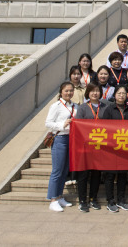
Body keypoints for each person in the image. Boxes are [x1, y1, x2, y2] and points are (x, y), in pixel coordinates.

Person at [74, 83, 110, 212]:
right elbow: (78, 125)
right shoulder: (83, 108)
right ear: (88, 93)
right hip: (86, 146)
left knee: (96, 174)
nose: (95, 93)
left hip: (100, 146)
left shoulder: (106, 107)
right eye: (92, 91)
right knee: (83, 174)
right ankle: (82, 200)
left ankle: (93, 198)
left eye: (97, 91)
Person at [45, 82, 75, 212]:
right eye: (66, 91)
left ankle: (59, 196)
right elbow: (48, 123)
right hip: (60, 138)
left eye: (71, 90)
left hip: (71, 139)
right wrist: (62, 124)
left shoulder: (75, 106)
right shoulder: (56, 106)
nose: (69, 93)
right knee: (57, 170)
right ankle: (53, 199)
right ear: (61, 92)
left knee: (64, 170)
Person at [105, 85, 128, 212]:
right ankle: (110, 201)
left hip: (125, 147)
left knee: (122, 175)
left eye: (124, 93)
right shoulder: (109, 109)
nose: (121, 96)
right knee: (110, 175)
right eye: (119, 93)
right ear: (114, 95)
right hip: (112, 147)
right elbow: (104, 128)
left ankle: (121, 200)